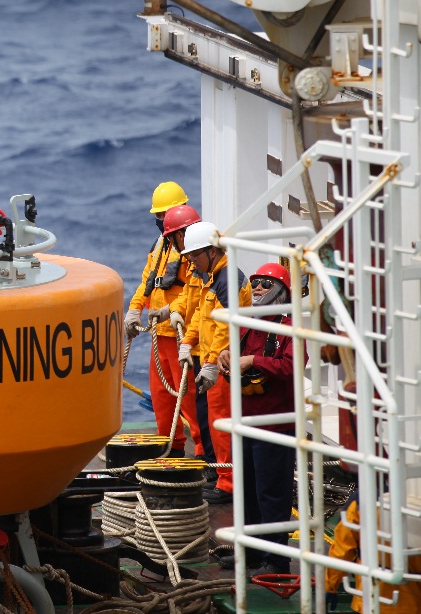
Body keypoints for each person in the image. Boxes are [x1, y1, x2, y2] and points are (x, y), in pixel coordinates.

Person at [218, 262, 297, 574]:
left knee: (271, 493)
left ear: (281, 291)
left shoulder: (289, 328)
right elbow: (234, 356)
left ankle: (276, 561)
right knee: (247, 490)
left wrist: (253, 361)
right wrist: (225, 357)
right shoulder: (246, 326)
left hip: (275, 426)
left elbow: (291, 366)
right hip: (246, 423)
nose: (258, 289)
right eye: (255, 283)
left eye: (266, 284)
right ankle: (251, 551)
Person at [175, 220, 251, 504]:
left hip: (223, 365)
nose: (192, 261)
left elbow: (225, 327)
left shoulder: (227, 280)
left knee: (222, 424)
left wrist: (209, 363)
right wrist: (187, 341)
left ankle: (229, 484)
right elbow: (200, 315)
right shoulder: (214, 278)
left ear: (212, 251)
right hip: (213, 362)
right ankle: (223, 477)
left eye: (195, 255)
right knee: (215, 421)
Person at [125, 197, 204, 459]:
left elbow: (195, 290)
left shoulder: (193, 251)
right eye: (158, 216)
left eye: (164, 214)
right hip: (159, 333)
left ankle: (204, 452)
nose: (161, 220)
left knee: (188, 397)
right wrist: (135, 309)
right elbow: (147, 282)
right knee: (162, 397)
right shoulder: (160, 246)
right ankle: (171, 446)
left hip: (182, 333)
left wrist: (171, 311)